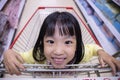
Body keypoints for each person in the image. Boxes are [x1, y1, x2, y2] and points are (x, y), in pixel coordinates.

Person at [3, 11, 120, 76]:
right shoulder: (39, 54)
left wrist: (102, 53)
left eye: (68, 42)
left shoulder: (81, 53)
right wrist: (8, 53)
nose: (58, 51)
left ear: (77, 45)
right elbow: (18, 57)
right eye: (50, 41)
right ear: (42, 42)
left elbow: (94, 48)